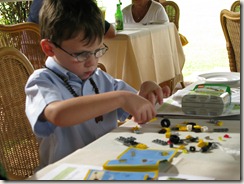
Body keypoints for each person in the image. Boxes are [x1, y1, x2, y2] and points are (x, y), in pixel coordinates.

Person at [25, 0, 170, 171]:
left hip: (105, 167)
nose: (92, 63)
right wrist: (121, 98)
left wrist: (146, 92)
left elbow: (133, 105)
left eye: (97, 51)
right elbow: (58, 114)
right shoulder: (41, 82)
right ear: (49, 48)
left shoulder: (100, 78)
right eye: (81, 54)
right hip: (65, 173)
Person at [27, 0, 116, 39]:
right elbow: (110, 32)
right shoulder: (72, 5)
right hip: (63, 62)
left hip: (28, 60)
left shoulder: (37, 3)